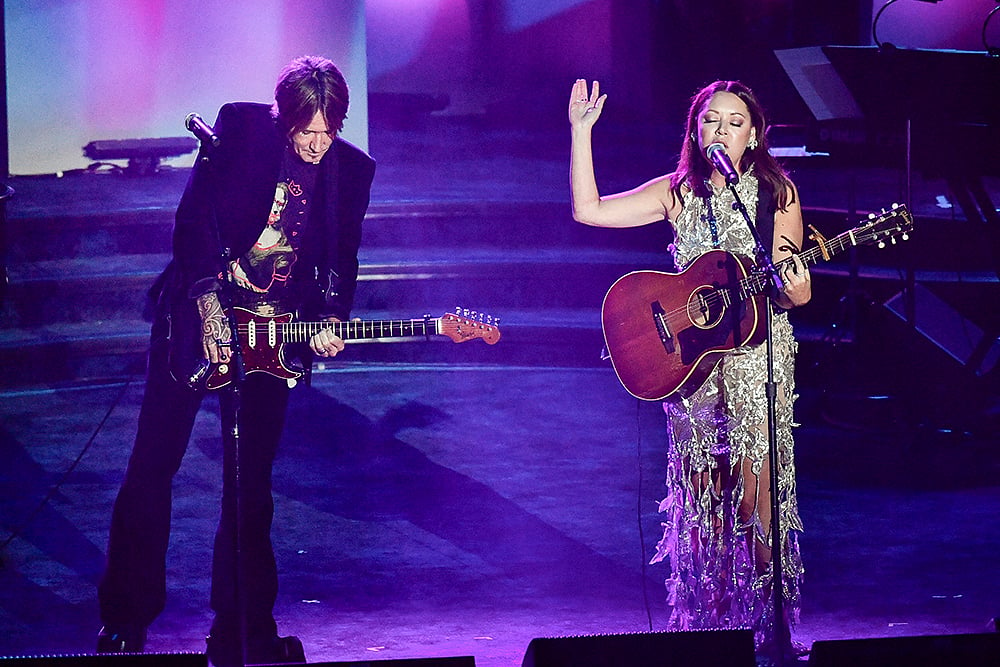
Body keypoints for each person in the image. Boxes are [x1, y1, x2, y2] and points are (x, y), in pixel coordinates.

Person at [96, 55, 376, 667]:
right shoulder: (241, 134)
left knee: (250, 484)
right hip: (197, 316)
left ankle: (244, 624)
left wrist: (332, 318)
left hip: (271, 337)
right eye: (306, 131)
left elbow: (341, 259)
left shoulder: (350, 171)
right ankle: (125, 615)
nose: (316, 144)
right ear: (284, 118)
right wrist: (206, 298)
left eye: (329, 132)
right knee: (153, 463)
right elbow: (192, 221)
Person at [568, 78, 811, 657]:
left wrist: (798, 290)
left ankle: (773, 626)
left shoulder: (776, 194)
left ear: (754, 135)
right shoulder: (677, 193)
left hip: (757, 361)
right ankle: (710, 631)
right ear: (695, 133)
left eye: (733, 122)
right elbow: (589, 211)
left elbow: (788, 285)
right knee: (705, 501)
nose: (720, 131)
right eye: (709, 122)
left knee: (756, 498)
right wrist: (581, 134)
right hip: (690, 365)